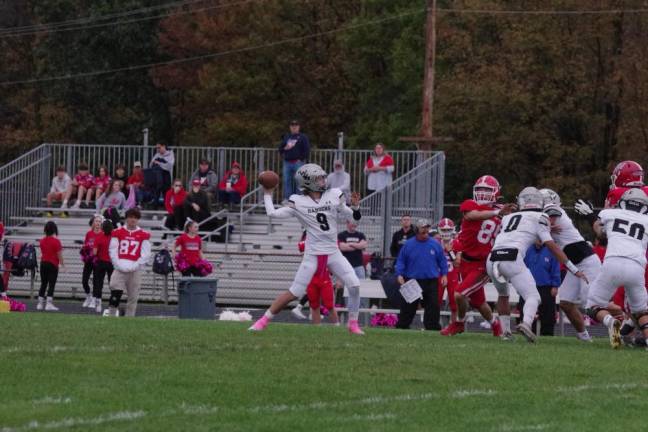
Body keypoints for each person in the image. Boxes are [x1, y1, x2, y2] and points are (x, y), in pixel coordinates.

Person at [249, 163, 364, 335]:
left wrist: (356, 208)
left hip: (333, 252)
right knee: (294, 292)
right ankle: (263, 321)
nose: (324, 180)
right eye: (319, 178)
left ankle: (353, 324)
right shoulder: (298, 201)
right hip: (312, 255)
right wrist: (267, 193)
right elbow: (272, 214)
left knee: (354, 285)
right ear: (308, 181)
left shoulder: (334, 195)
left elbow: (354, 221)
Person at [487, 187, 587, 342]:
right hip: (512, 257)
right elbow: (551, 245)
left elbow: (521, 233)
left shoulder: (508, 217)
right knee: (533, 296)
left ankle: (506, 333)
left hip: (492, 258)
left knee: (503, 295)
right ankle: (526, 324)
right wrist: (573, 268)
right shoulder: (541, 216)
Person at [441, 175, 515, 337]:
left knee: (459, 294)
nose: (482, 193)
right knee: (479, 302)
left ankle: (458, 323)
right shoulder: (471, 205)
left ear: (496, 192)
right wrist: (497, 212)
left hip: (483, 264)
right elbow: (471, 216)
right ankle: (496, 326)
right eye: (479, 189)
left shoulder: (504, 210)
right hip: (466, 261)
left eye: (486, 190)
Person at [587, 188, 648, 349]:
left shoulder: (609, 214)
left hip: (612, 263)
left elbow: (600, 234)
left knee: (593, 305)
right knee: (641, 311)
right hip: (636, 266)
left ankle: (611, 322)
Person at [540, 188, 600, 342]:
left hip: (587, 262)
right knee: (566, 303)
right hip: (576, 264)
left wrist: (545, 227)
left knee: (593, 305)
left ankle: (624, 318)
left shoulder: (552, 211)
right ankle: (584, 337)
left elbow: (551, 216)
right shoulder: (544, 217)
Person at [395, 218, 448, 330]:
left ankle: (432, 328)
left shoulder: (435, 244)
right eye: (422, 230)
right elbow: (400, 261)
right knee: (408, 306)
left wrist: (444, 275)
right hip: (412, 280)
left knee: (433, 305)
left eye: (427, 229)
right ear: (416, 231)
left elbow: (442, 261)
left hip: (431, 281)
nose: (425, 232)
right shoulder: (408, 245)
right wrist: (399, 274)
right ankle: (402, 327)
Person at [107, 208, 151, 317]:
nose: (133, 220)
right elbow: (113, 250)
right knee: (115, 291)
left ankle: (129, 318)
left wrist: (136, 265)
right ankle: (111, 316)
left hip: (135, 269)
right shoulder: (117, 232)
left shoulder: (143, 234)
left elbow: (146, 254)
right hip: (119, 267)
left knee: (133, 296)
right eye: (131, 217)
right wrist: (118, 264)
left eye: (135, 218)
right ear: (126, 218)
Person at [522, 240, 562, 336]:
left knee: (548, 315)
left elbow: (556, 268)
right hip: (529, 287)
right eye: (537, 238)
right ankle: (528, 333)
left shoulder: (551, 250)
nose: (539, 240)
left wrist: (555, 285)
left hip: (546, 288)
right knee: (528, 311)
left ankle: (547, 336)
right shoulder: (527, 249)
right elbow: (522, 268)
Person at [338, 221, 368, 307]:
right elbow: (342, 247)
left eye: (355, 223)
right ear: (347, 223)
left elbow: (363, 245)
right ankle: (349, 309)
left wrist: (350, 244)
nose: (354, 225)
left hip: (359, 267)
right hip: (346, 268)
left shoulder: (361, 235)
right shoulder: (341, 235)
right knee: (348, 289)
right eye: (352, 223)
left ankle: (361, 309)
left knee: (361, 289)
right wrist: (357, 245)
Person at [278, 119, 310, 201]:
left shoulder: (303, 137)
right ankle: (287, 198)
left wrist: (301, 159)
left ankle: (299, 199)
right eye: (292, 126)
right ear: (290, 127)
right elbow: (280, 148)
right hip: (287, 162)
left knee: (299, 181)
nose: (294, 127)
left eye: (296, 126)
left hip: (298, 162)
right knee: (286, 181)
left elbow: (306, 149)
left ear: (299, 127)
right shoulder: (287, 136)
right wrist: (284, 151)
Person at [37, 221, 64, 311]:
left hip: (43, 263)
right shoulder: (57, 241)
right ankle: (49, 304)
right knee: (51, 284)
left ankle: (40, 304)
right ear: (54, 230)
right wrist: (63, 265)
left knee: (43, 283)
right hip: (53, 264)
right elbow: (59, 255)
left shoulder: (42, 241)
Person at [437, 218, 460, 324]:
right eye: (444, 230)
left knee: (454, 302)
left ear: (452, 230)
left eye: (448, 230)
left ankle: (454, 324)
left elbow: (457, 263)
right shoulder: (436, 242)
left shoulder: (456, 243)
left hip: (452, 275)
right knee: (436, 301)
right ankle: (434, 323)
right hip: (439, 275)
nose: (446, 233)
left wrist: (450, 251)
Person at [81, 215, 103, 309]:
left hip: (98, 261)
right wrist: (84, 254)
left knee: (96, 281)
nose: (97, 223)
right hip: (89, 260)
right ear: (93, 223)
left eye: (99, 221)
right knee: (84, 280)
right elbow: (85, 245)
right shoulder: (89, 234)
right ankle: (88, 296)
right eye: (96, 221)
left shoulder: (103, 234)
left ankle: (94, 299)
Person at [92, 219, 114, 314]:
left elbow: (94, 252)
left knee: (98, 284)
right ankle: (112, 304)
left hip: (101, 263)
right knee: (112, 285)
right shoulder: (114, 237)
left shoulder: (99, 236)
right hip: (112, 263)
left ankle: (98, 304)